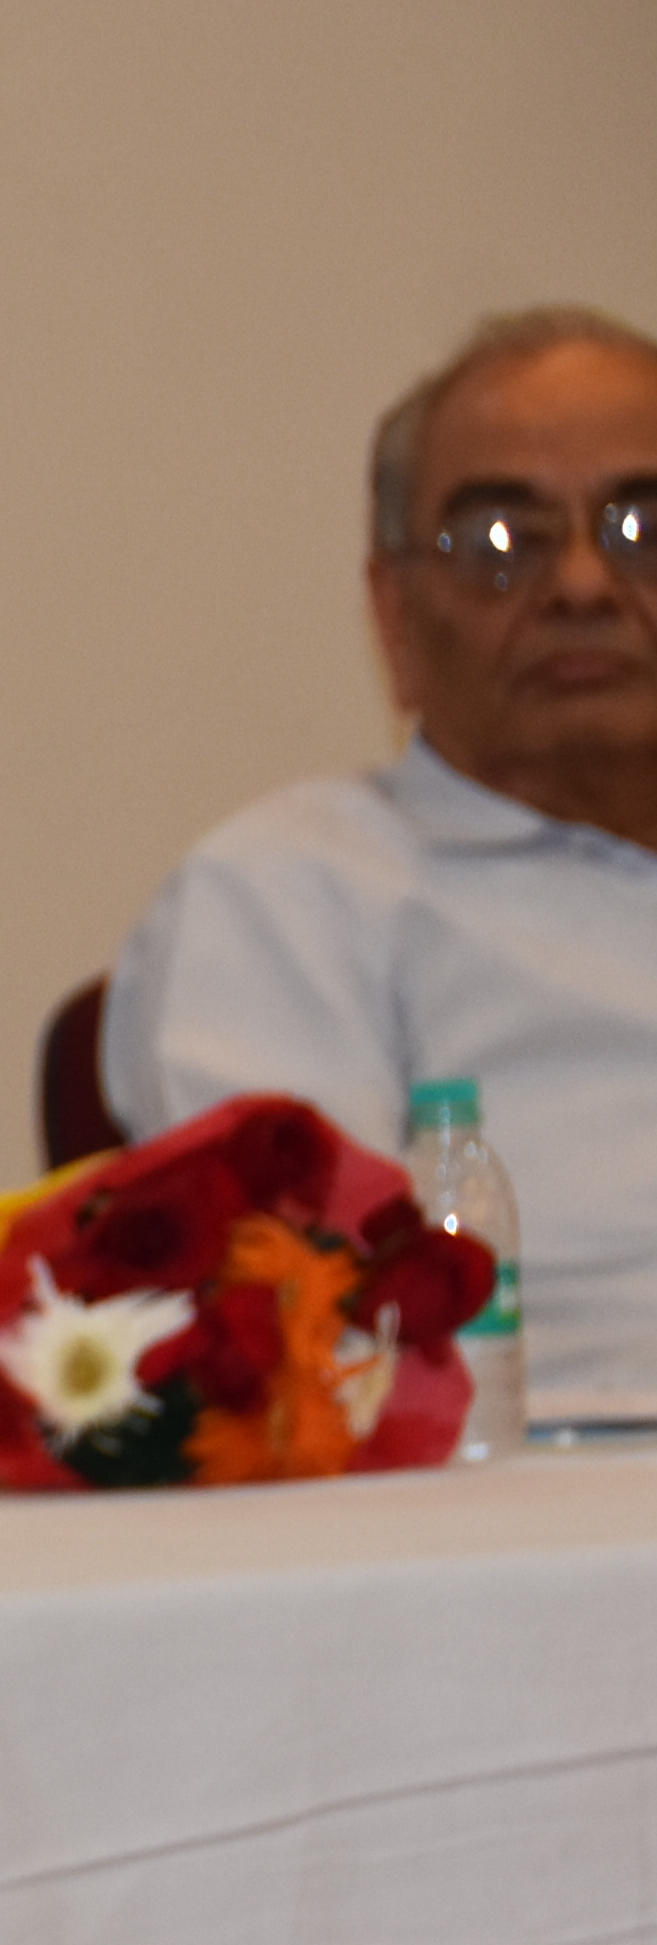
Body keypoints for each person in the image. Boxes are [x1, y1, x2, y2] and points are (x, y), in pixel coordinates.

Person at [106, 303, 657, 1416]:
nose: (585, 584)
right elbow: (317, 1352)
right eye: (501, 542)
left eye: (644, 528)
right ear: (394, 618)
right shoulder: (291, 890)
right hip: (533, 1484)